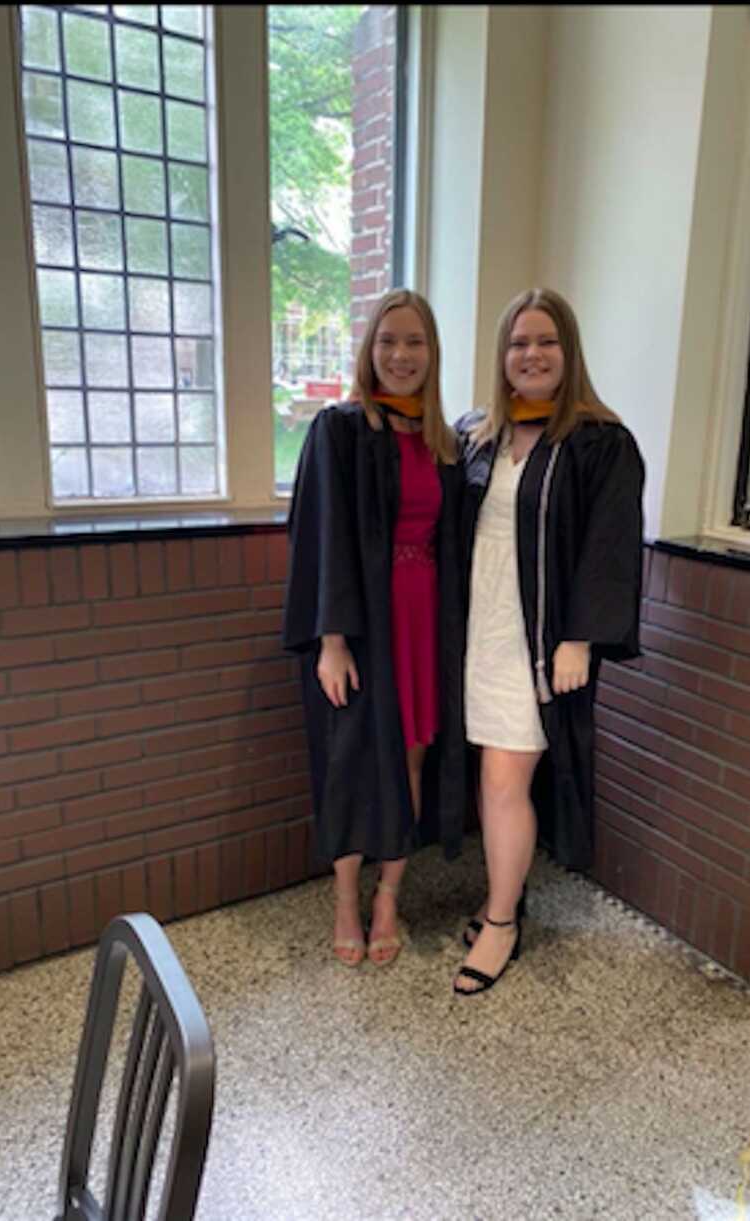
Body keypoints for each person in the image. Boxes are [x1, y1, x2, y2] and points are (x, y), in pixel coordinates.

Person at [453, 287, 644, 996]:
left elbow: (610, 544)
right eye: (518, 343)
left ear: (569, 353)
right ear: (501, 357)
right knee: (492, 777)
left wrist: (581, 638)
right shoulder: (480, 433)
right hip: (477, 633)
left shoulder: (600, 441)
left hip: (534, 644)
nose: (531, 355)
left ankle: (502, 920)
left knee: (505, 781)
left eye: (546, 342)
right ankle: (505, 890)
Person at [283, 289, 465, 968]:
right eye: (388, 340)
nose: (401, 355)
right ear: (369, 349)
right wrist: (331, 639)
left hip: (422, 614)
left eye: (415, 342)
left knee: (412, 754)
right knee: (350, 755)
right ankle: (343, 898)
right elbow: (320, 533)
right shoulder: (340, 430)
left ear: (432, 353)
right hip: (362, 621)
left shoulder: (444, 442)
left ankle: (390, 895)